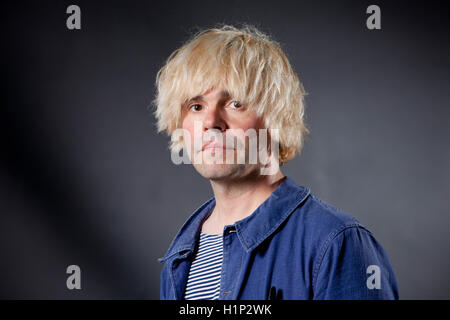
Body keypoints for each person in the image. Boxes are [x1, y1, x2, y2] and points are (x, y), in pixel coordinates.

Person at [153, 24, 399, 300]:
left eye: (235, 103)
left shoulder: (337, 244)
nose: (211, 123)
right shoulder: (179, 259)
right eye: (196, 107)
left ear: (276, 119)